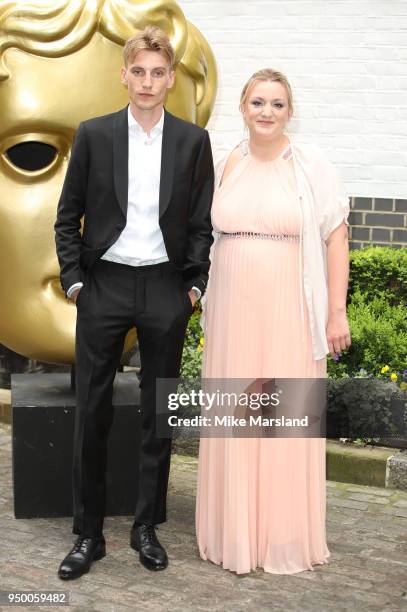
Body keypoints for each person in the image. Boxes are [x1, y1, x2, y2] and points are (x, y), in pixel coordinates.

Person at [54, 26, 214, 580]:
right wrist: (75, 282)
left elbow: (200, 224)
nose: (148, 82)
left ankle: (146, 527)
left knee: (157, 415)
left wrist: (193, 288)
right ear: (124, 75)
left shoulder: (193, 142)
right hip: (106, 288)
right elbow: (67, 214)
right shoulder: (94, 135)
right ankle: (87, 534)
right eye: (139, 71)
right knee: (90, 412)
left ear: (171, 79)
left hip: (166, 290)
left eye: (158, 72)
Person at [196, 68, 351, 575]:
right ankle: (234, 533)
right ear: (242, 107)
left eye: (277, 104)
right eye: (258, 102)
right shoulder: (226, 162)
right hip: (232, 309)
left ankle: (282, 535)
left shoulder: (311, 165)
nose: (267, 112)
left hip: (290, 309)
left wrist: (336, 311)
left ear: (290, 111)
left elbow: (336, 239)